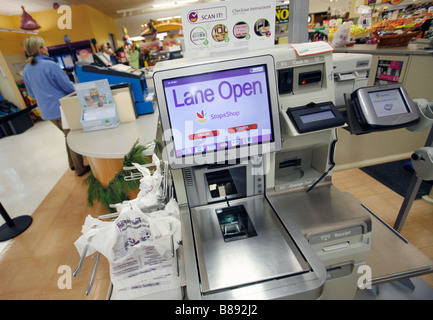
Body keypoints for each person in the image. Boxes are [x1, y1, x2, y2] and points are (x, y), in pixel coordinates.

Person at [22, 36, 89, 176]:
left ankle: (72, 164)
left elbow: (32, 94)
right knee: (74, 136)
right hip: (62, 108)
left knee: (68, 135)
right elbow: (67, 87)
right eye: (44, 46)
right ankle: (80, 169)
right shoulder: (51, 65)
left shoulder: (27, 70)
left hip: (46, 111)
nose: (47, 49)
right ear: (40, 49)